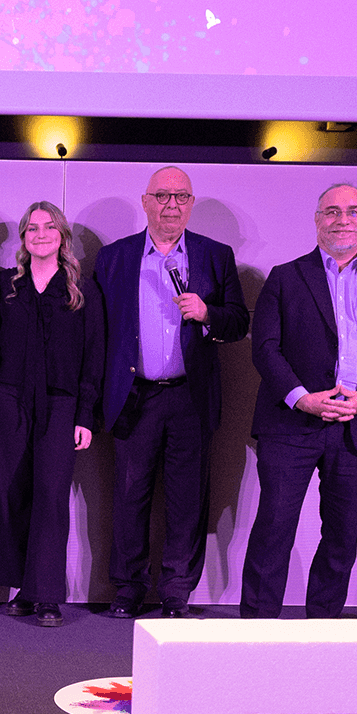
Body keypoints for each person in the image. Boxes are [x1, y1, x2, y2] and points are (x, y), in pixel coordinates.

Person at [239, 183, 357, 619]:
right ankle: (256, 629)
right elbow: (265, 347)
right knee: (274, 527)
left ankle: (323, 626)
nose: (343, 219)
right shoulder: (285, 276)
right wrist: (302, 399)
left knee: (342, 535)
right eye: (332, 211)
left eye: (353, 211)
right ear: (317, 220)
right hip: (291, 425)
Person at [97, 165, 249, 618]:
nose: (171, 205)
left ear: (191, 204)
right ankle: (127, 589)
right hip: (134, 395)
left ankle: (176, 592)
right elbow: (99, 332)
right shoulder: (115, 258)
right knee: (129, 495)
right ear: (146, 202)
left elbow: (239, 321)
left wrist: (208, 313)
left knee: (187, 499)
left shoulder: (214, 256)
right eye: (162, 196)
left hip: (190, 397)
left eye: (181, 197)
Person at [0, 201, 105, 628]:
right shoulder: (6, 286)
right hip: (9, 401)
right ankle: (23, 586)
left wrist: (85, 415)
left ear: (62, 236)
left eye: (48, 227)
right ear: (23, 238)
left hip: (61, 405)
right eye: (32, 228)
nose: (40, 234)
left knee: (51, 497)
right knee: (14, 494)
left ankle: (48, 595)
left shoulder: (83, 291)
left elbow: (95, 355)